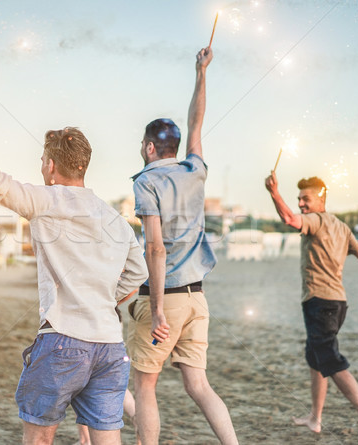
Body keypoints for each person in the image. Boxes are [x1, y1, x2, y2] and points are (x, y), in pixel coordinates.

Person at [0, 99, 148, 445]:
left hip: (63, 341)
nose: (41, 167)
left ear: (51, 166)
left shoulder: (46, 201)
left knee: (39, 438)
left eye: (41, 161)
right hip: (110, 346)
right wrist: (102, 299)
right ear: (83, 166)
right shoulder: (116, 219)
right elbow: (136, 273)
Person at [126, 47, 238, 445]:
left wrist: (155, 308)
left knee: (144, 385)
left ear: (151, 148)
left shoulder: (146, 182)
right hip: (197, 299)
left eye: (144, 143)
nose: (142, 148)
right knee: (199, 386)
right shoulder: (195, 171)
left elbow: (155, 249)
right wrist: (200, 72)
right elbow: (197, 124)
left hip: (168, 297)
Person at [264, 172, 358, 445]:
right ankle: (315, 417)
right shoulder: (342, 226)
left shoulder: (316, 220)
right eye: (299, 199)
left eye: (306, 198)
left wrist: (273, 192)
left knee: (328, 358)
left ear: (320, 198)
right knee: (315, 356)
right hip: (337, 303)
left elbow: (290, 220)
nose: (302, 203)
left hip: (320, 302)